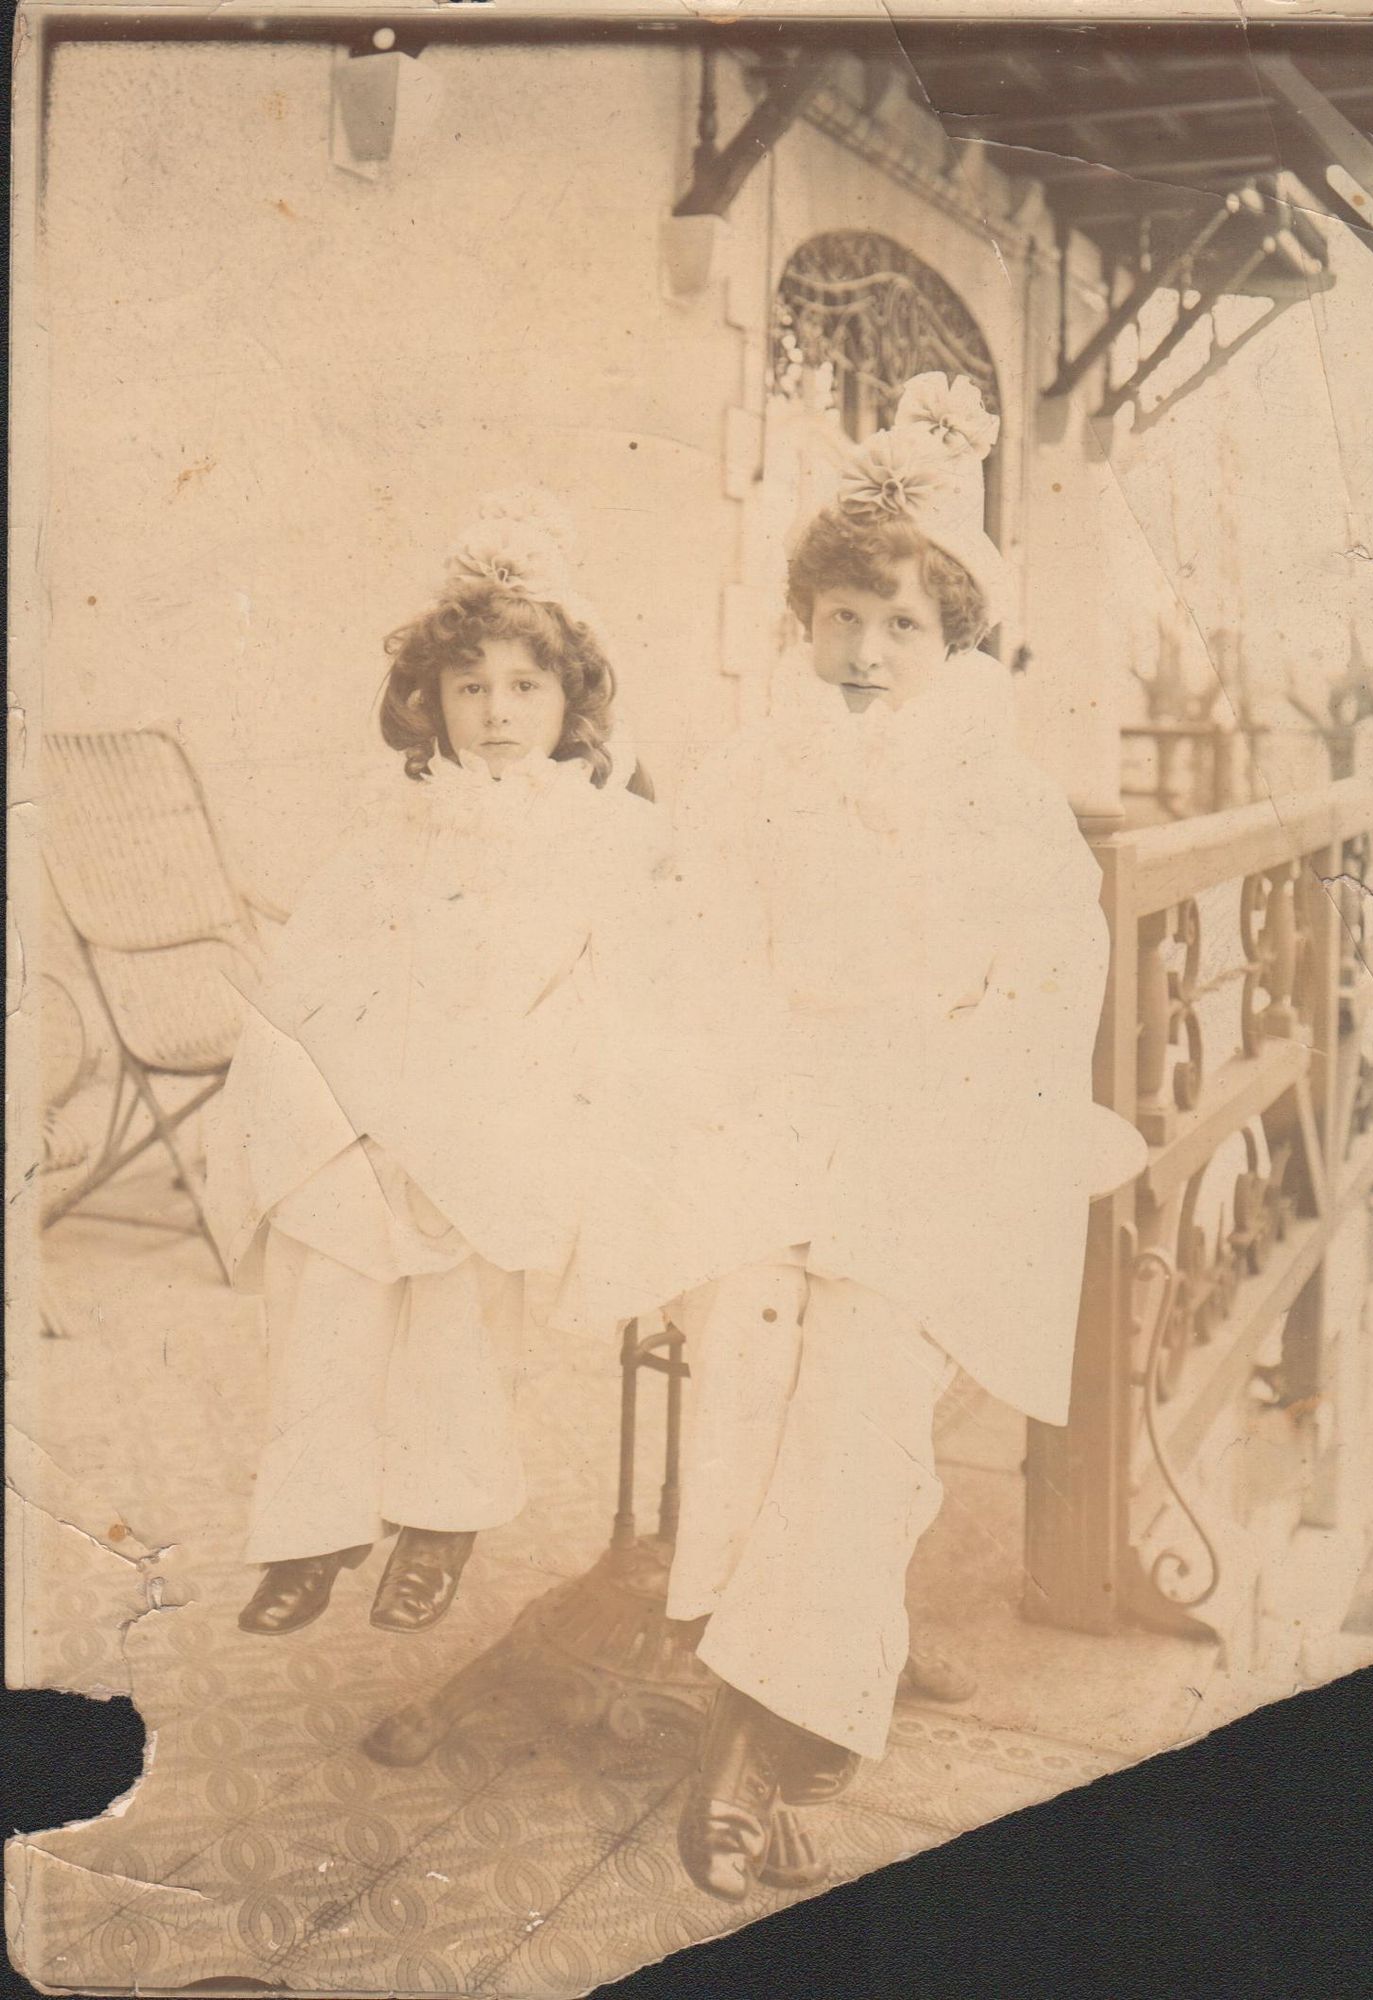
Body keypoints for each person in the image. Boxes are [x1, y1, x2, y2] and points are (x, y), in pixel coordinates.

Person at [660, 374, 1147, 1899]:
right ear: (801, 625)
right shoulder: (749, 775)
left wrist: (931, 1098)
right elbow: (697, 964)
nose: (866, 653)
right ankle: (806, 1688)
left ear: (955, 644)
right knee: (756, 1339)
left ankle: (748, 1743)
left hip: (945, 1138)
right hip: (775, 1123)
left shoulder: (1001, 797)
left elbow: (1044, 986)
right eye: (842, 620)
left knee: (865, 1368)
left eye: (903, 626)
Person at [204, 493, 664, 1640]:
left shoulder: (605, 832)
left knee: (458, 1302)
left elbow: (626, 988)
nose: (496, 712)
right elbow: (322, 964)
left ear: (569, 701)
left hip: (512, 1103)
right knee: (328, 1275)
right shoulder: (394, 824)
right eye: (470, 687)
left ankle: (439, 1517)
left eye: (524, 686)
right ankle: (313, 1526)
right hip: (380, 1095)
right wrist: (335, 1089)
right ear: (431, 701)